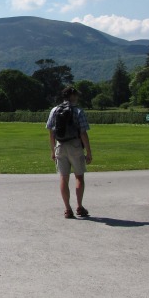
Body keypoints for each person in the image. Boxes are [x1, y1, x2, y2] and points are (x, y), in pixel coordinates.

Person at [47, 86, 92, 219]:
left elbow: (51, 132)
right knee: (79, 176)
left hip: (60, 146)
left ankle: (67, 209)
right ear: (72, 96)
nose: (77, 97)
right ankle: (79, 206)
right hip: (75, 145)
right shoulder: (78, 111)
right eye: (76, 95)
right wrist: (88, 151)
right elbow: (83, 133)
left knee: (63, 177)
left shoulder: (54, 110)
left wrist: (52, 150)